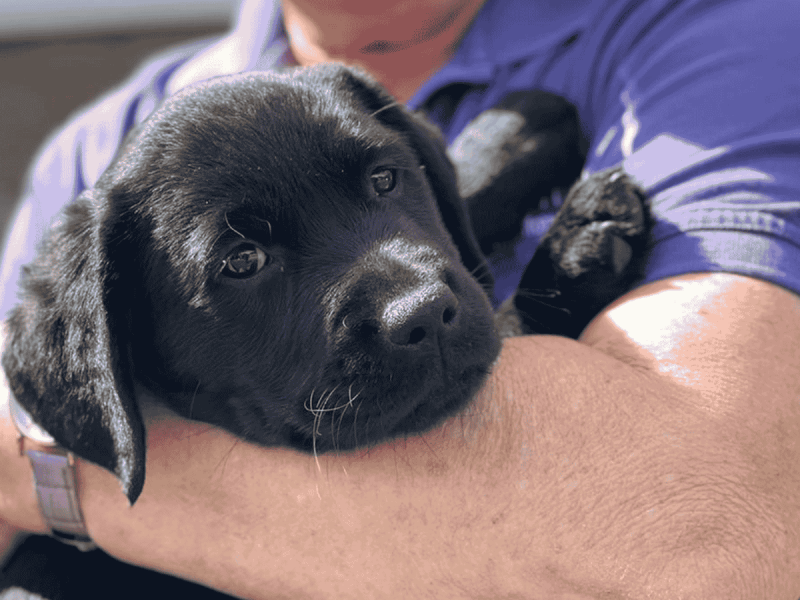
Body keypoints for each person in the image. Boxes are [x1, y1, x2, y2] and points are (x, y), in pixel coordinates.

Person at [1, 0, 799, 597]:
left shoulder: (706, 29)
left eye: (385, 179)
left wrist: (52, 484)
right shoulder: (99, 156)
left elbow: (706, 531)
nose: (413, 298)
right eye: (240, 260)